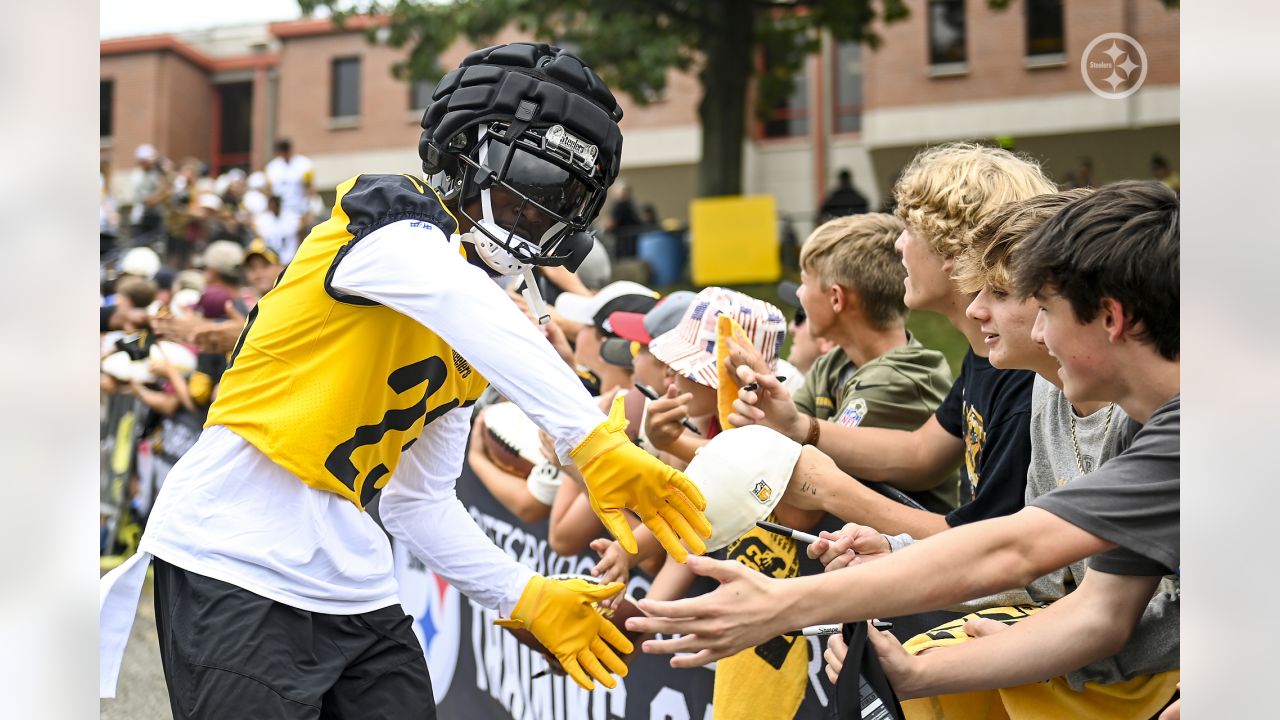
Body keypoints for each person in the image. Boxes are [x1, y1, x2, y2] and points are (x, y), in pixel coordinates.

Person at [99, 43, 712, 716]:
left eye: (559, 196)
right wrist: (589, 439)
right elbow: (454, 296)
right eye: (527, 176)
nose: (535, 210)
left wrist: (521, 594)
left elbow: (415, 502)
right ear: (462, 149)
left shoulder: (487, 318)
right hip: (234, 554)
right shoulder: (388, 219)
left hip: (353, 582)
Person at [628, 182, 1180, 709]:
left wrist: (782, 605)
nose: (1037, 333)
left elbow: (1017, 554)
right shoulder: (1130, 412)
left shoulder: (1189, 431)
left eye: (1044, 309)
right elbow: (1097, 607)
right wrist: (913, 666)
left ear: (1110, 317)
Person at [824, 188, 1179, 717]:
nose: (974, 308)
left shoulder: (1156, 419)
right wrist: (896, 556)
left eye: (1004, 291)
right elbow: (1045, 576)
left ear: (1107, 315)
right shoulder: (1045, 392)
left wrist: (785, 600)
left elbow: (1026, 560)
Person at [728, 143, 1053, 538]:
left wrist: (832, 491)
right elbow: (921, 453)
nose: (898, 244)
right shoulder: (986, 355)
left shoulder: (1026, 378)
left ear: (952, 249)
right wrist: (801, 427)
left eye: (910, 230)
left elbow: (985, 548)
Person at [264, 138, 314, 219]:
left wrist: (309, 209)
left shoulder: (304, 164)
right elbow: (267, 190)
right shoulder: (272, 167)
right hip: (280, 211)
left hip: (299, 210)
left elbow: (310, 189)